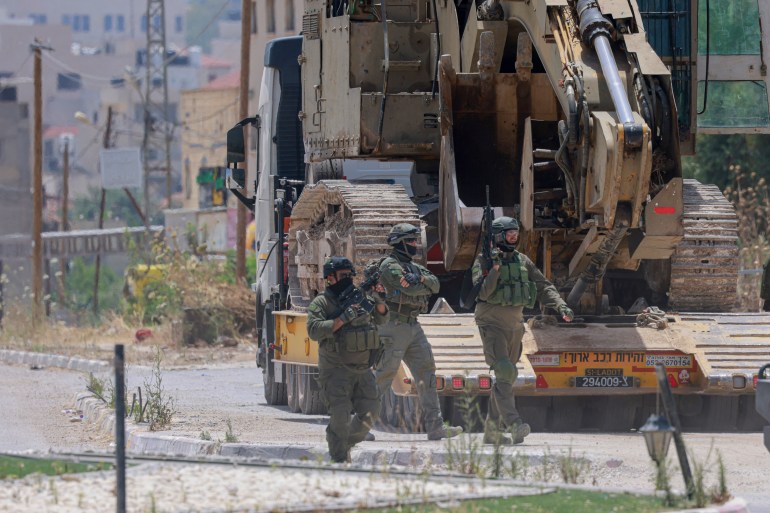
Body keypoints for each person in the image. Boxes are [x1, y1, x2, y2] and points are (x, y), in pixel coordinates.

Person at [472, 216, 574, 445]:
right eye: (509, 234)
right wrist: (495, 268)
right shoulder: (483, 261)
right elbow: (483, 293)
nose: (514, 237)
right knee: (505, 372)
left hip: (515, 325)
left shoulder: (522, 260)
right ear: (498, 236)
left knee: (505, 378)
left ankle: (491, 432)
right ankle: (514, 424)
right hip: (491, 323)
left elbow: (543, 285)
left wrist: (560, 305)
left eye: (516, 233)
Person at [374, 223, 463, 440]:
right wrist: (419, 283)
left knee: (427, 374)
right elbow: (408, 288)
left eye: (415, 240)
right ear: (399, 242)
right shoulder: (389, 265)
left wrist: (421, 279)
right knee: (383, 376)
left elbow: (435, 284)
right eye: (411, 241)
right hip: (393, 325)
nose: (415, 244)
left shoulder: (413, 267)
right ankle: (358, 425)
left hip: (413, 325)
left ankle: (435, 427)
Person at [306, 256, 389, 463]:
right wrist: (343, 318)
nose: (348, 279)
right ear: (330, 278)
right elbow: (314, 330)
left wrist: (379, 299)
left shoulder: (359, 296)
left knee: (371, 413)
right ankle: (339, 459)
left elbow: (382, 318)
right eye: (343, 275)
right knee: (340, 417)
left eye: (350, 275)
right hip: (335, 370)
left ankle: (343, 444)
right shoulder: (322, 303)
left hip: (362, 368)